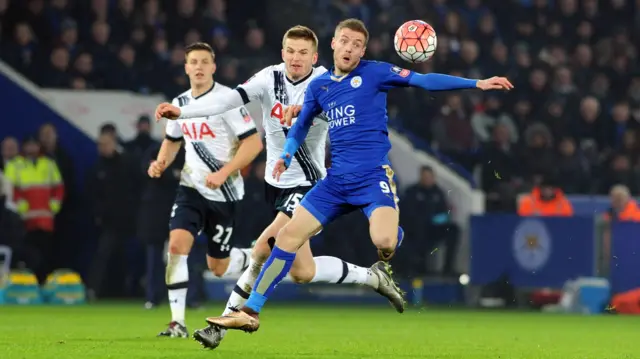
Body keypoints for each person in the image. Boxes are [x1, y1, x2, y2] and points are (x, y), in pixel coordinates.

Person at [202, 18, 513, 333]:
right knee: (285, 237)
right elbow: (301, 125)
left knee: (384, 242)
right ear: (334, 44)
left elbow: (424, 80)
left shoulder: (375, 72)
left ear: (362, 50)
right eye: (345, 41)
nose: (349, 48)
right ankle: (251, 312)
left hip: (371, 178)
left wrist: (476, 84)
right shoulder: (319, 87)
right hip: (335, 183)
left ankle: (392, 238)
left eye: (357, 44)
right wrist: (285, 154)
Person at [155, 25, 404, 349]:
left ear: (315, 57)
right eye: (290, 51)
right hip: (277, 184)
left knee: (264, 247)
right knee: (303, 271)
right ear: (282, 52)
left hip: (310, 183)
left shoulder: (329, 82)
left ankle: (226, 324)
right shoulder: (268, 77)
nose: (295, 58)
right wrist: (183, 111)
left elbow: (347, 120)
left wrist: (306, 112)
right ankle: (372, 277)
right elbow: (227, 100)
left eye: (303, 53)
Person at [149, 42, 263, 338]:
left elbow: (253, 144)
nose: (198, 67)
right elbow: (173, 140)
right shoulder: (180, 101)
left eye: (204, 61)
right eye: (193, 62)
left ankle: (253, 257)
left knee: (218, 267)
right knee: (176, 246)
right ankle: (177, 323)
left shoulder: (227, 99)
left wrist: (224, 171)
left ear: (214, 67)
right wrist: (161, 163)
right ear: (186, 68)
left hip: (225, 194)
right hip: (191, 188)